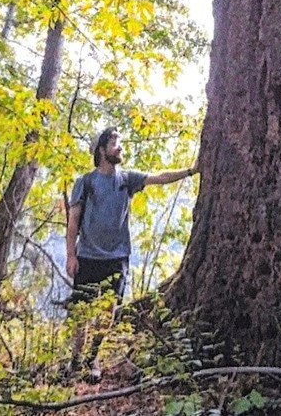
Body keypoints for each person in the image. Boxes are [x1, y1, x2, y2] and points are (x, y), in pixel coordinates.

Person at [65, 126, 197, 378]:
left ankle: (93, 360)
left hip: (117, 258)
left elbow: (160, 177)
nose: (120, 148)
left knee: (108, 312)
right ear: (101, 150)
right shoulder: (86, 182)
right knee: (81, 312)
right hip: (87, 257)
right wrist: (71, 255)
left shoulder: (127, 179)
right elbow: (73, 222)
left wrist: (191, 171)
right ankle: (75, 361)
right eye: (115, 144)